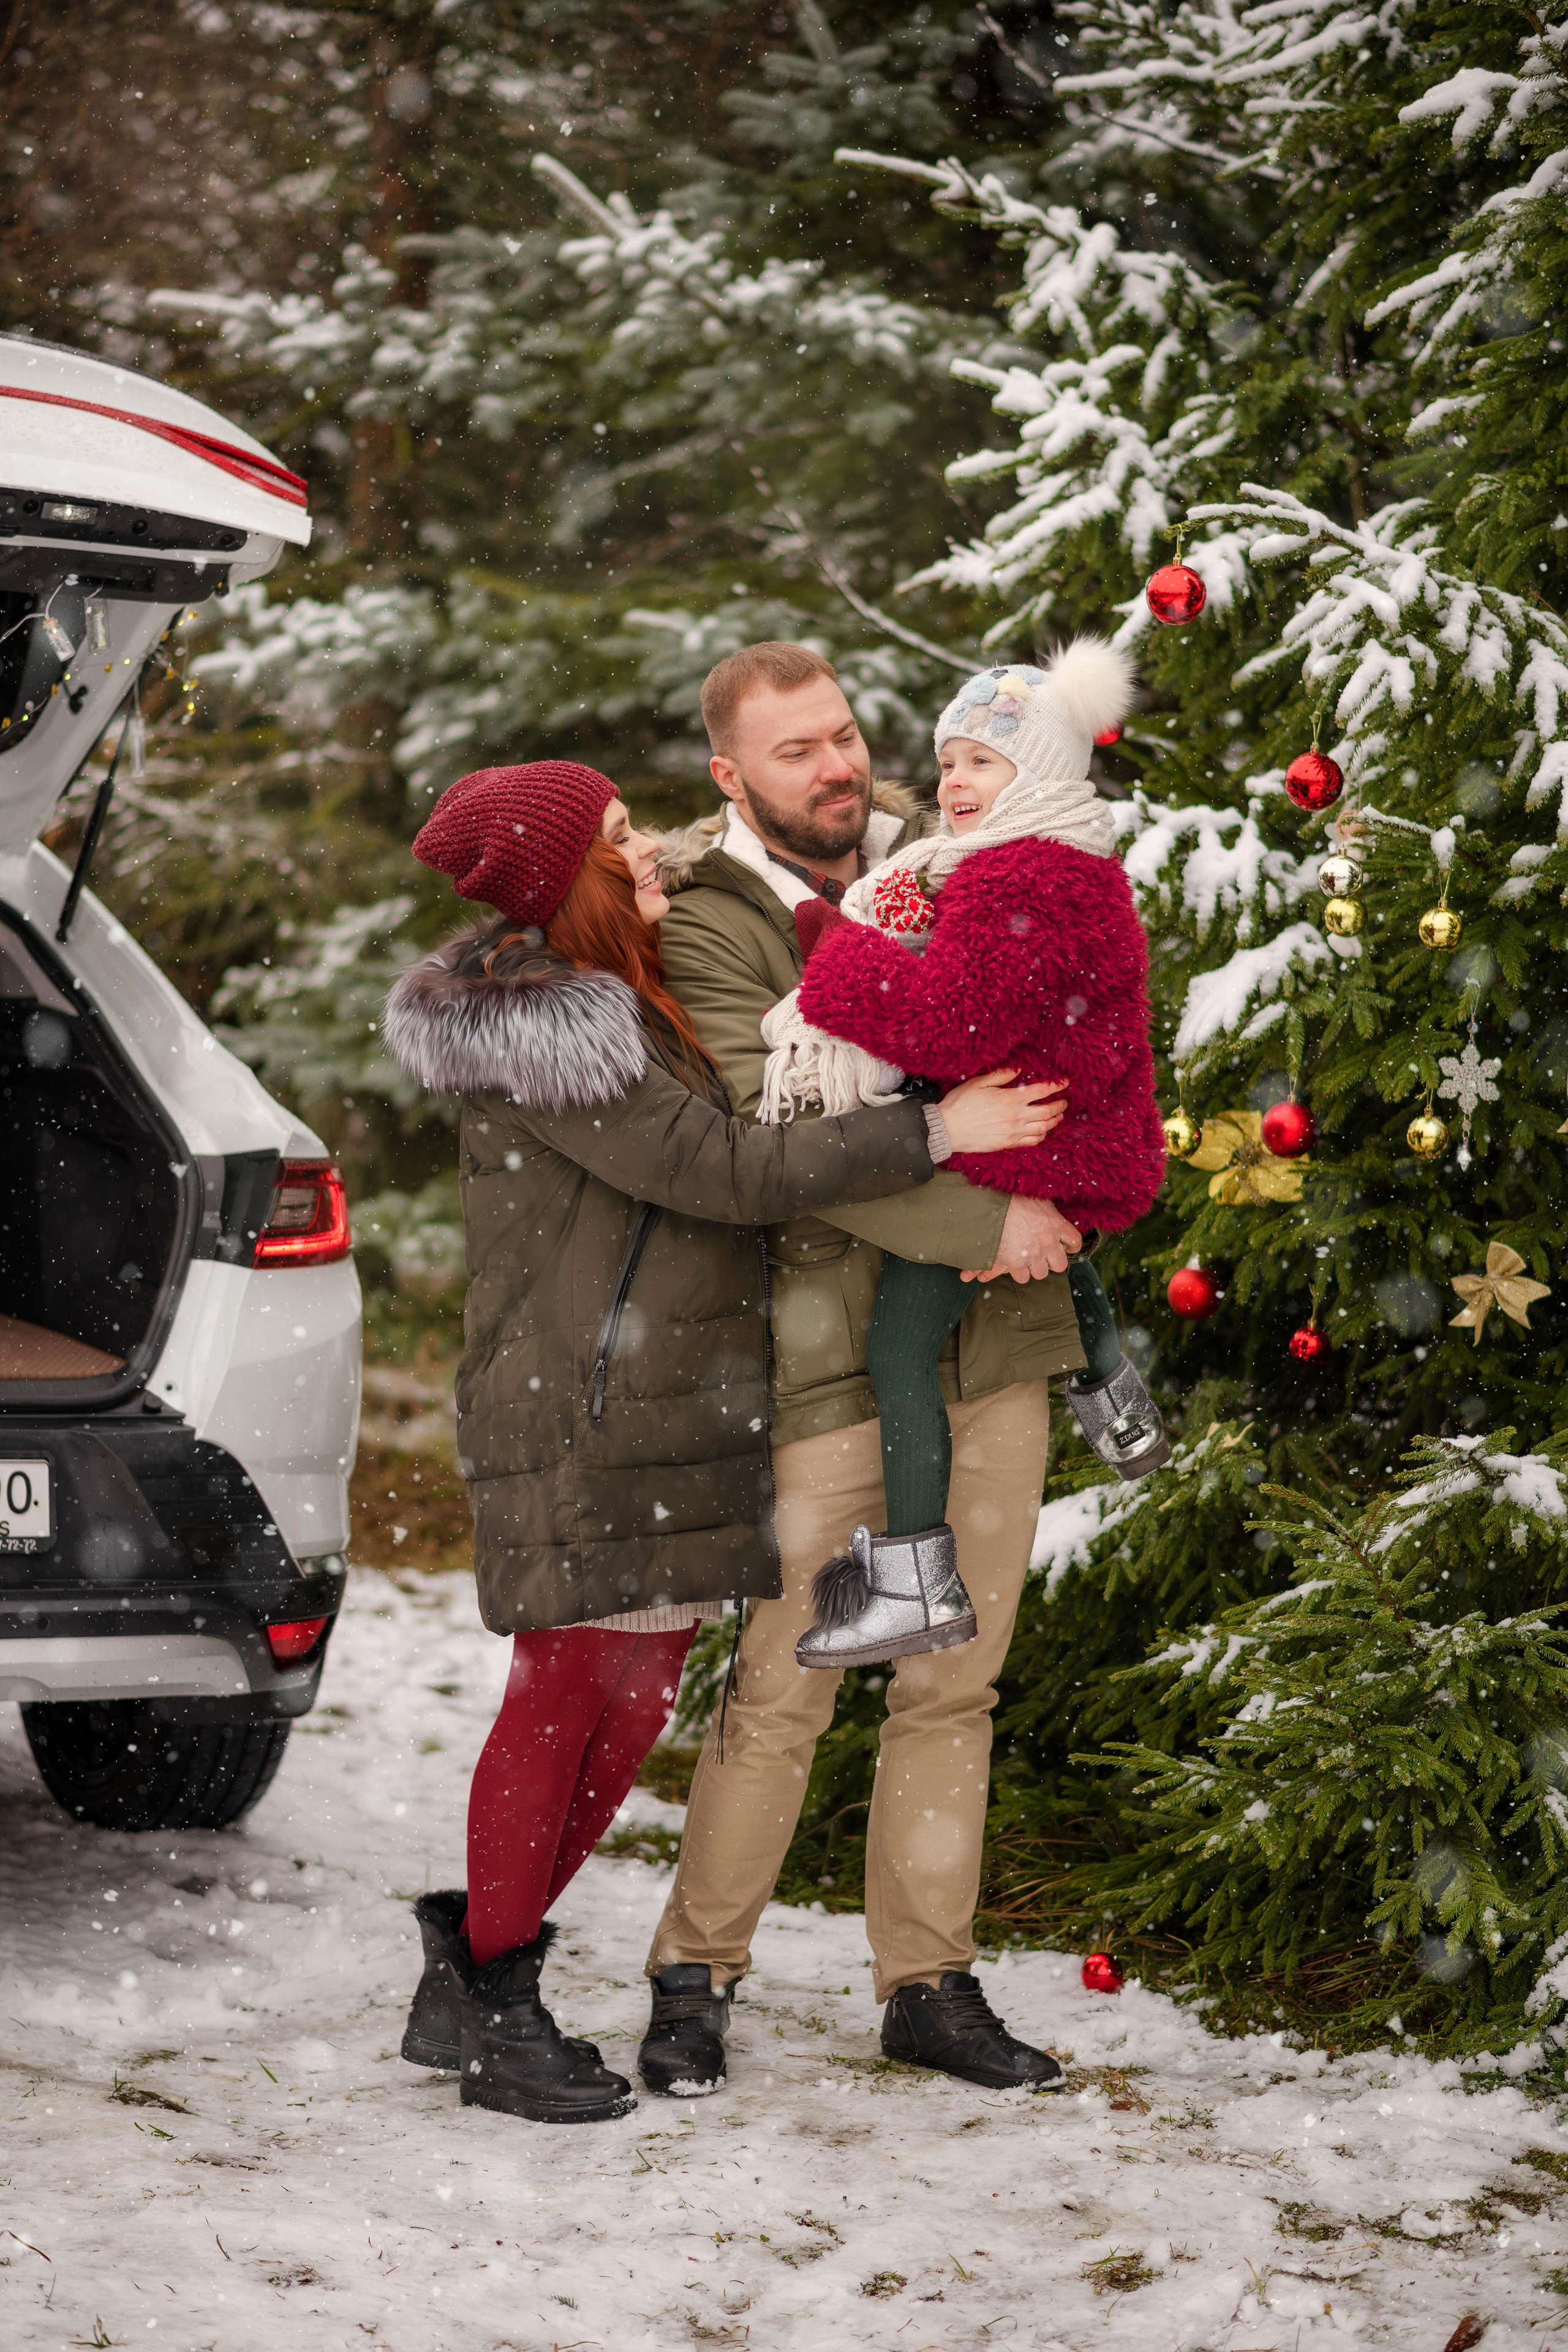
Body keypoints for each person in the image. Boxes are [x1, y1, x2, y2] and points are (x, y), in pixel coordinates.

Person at [381, 755, 1063, 2126]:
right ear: (558, 878)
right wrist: (934, 1126)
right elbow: (726, 1172)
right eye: (624, 842)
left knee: (628, 1709)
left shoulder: (626, 995)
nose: (651, 858)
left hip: (671, 1406)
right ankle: (498, 1999)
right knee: (564, 1696)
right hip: (584, 1408)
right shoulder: (548, 1024)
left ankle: (475, 1976)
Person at [638, 643, 1093, 2102]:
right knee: (790, 1682)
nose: (837, 768)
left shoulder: (969, 847)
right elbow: (778, 1153)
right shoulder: (713, 925)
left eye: (843, 736)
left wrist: (1052, 1176)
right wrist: (986, 1204)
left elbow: (1072, 1027)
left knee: (951, 1682)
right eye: (794, 754)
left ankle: (927, 1984)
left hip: (995, 1344)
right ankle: (695, 1975)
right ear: (730, 778)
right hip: (831, 1370)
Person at [760, 641, 1170, 1672]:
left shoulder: (1010, 879)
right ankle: (1116, 1399)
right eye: (946, 763)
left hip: (1017, 1148)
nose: (952, 783)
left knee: (901, 1352)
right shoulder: (1074, 866)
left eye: (981, 763)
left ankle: (913, 1585)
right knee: (1061, 1259)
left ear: (1038, 774)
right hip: (1073, 1131)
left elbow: (948, 1028)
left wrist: (836, 951)